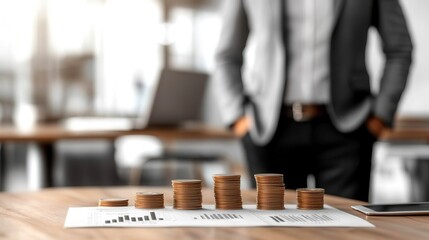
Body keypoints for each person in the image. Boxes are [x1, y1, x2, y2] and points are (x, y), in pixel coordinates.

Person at [213, 0, 413, 201]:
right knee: (273, 231)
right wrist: (238, 118)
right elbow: (226, 56)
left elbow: (399, 49)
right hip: (270, 130)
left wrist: (380, 116)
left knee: (347, 229)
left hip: (347, 130)